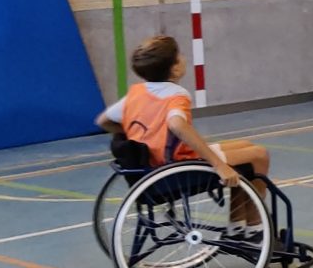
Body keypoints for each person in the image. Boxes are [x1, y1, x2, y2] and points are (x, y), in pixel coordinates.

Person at [98, 35, 272, 230]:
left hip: (153, 165)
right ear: (175, 69)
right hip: (175, 167)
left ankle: (237, 226)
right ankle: (255, 227)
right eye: (179, 55)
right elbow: (177, 125)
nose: (183, 57)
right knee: (259, 155)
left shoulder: (136, 92)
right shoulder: (176, 95)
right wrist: (219, 165)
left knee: (245, 146)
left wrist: (138, 133)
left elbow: (103, 121)